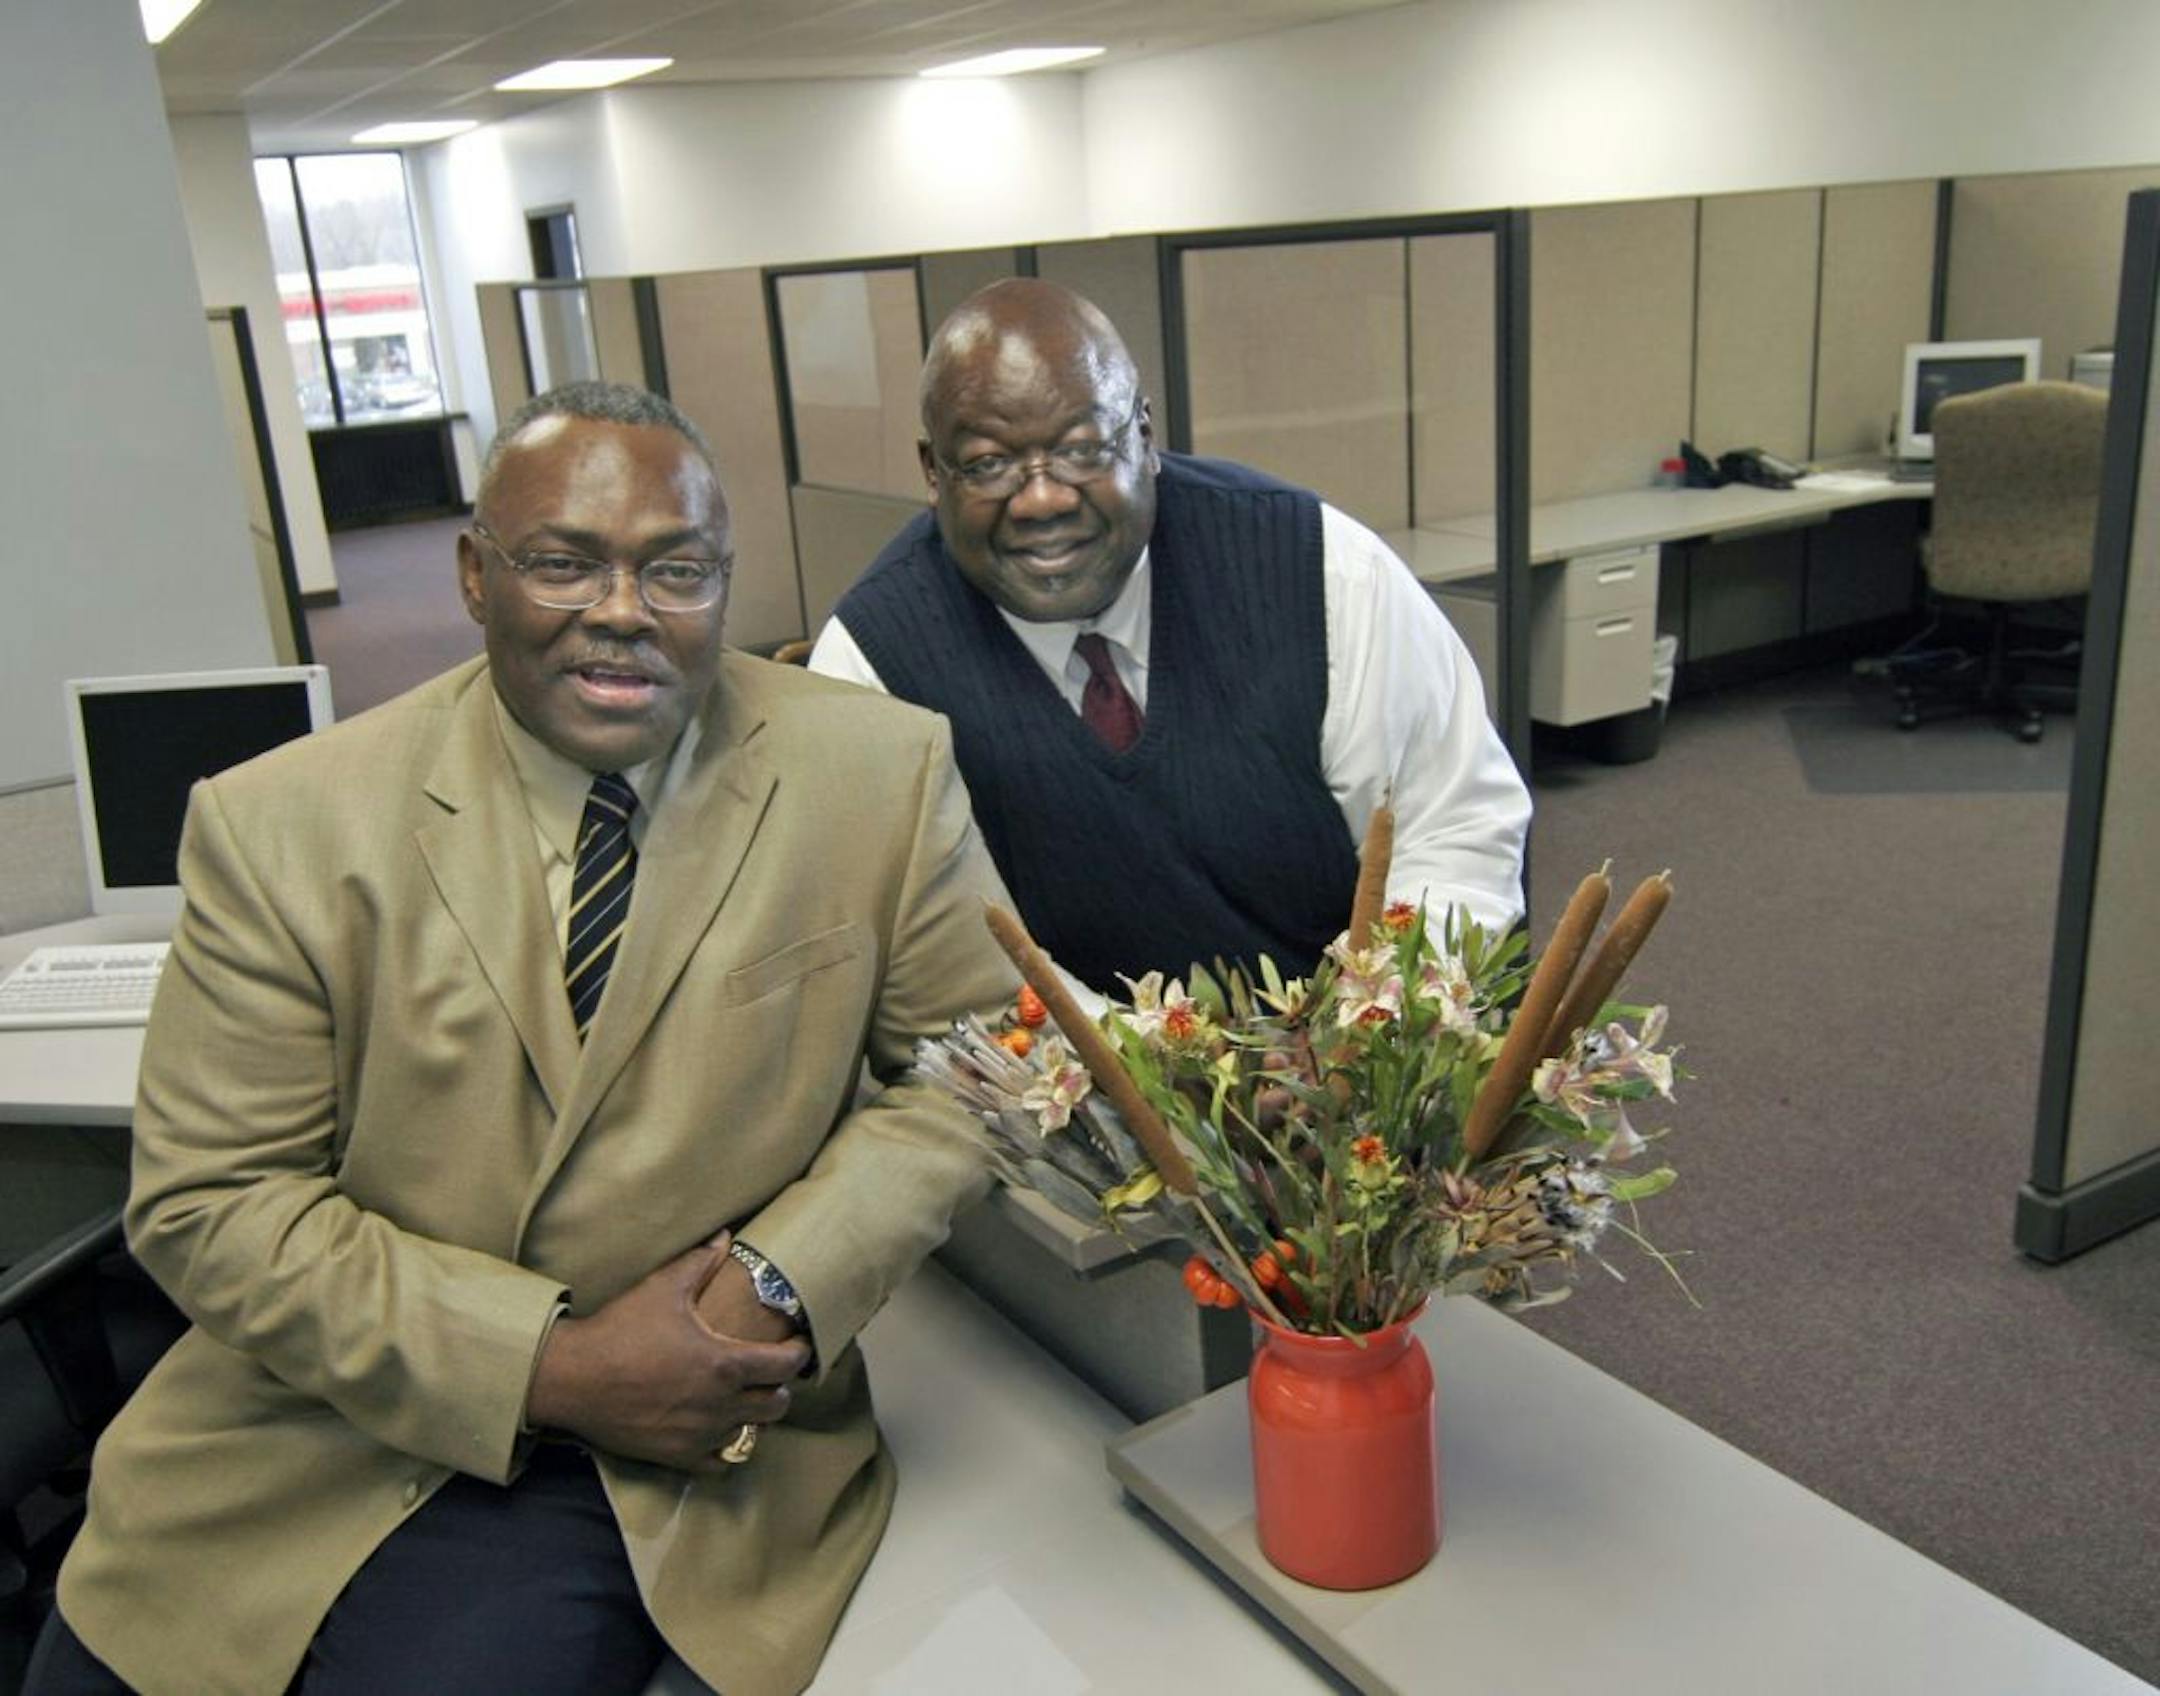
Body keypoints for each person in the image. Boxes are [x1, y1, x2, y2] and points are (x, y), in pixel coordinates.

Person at [30, 383, 1017, 1696]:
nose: (621, 610)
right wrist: (546, 1361)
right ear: (474, 577)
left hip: (668, 1447)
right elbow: (212, 1201)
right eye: (563, 562)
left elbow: (982, 1062)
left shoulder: (875, 774)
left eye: (676, 569)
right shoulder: (285, 824)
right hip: (305, 1423)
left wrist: (776, 1284)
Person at [811, 279, 1532, 995]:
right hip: (1068, 1084)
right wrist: (1142, 1083)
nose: (1042, 498)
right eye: (988, 464)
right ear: (933, 474)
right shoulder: (871, 666)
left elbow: (1451, 825)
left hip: (1357, 1047)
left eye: (1084, 448)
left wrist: (1371, 1030)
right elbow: (937, 960)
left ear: (1145, 438)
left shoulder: (1319, 567)